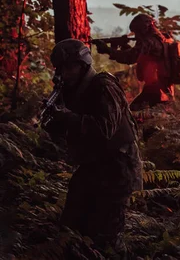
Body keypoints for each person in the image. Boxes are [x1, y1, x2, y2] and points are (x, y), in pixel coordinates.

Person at [44, 39, 143, 255]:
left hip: (118, 168)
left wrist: (68, 118)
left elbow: (103, 129)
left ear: (83, 66)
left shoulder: (103, 86)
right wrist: (54, 121)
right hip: (92, 166)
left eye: (69, 67)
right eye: (61, 68)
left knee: (105, 238)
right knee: (70, 228)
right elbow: (64, 136)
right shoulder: (68, 90)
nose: (65, 73)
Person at [95, 14, 174, 111]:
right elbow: (139, 56)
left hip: (157, 89)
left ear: (143, 29)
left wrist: (108, 50)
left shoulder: (149, 41)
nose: (136, 35)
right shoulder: (160, 39)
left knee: (134, 114)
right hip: (161, 87)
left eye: (137, 32)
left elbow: (130, 58)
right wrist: (124, 46)